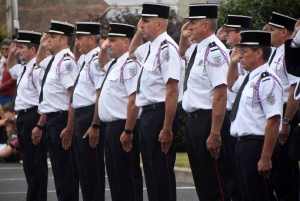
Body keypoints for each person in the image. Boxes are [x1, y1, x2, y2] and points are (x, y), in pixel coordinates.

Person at [129, 3, 184, 201]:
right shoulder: (151, 47)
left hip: (161, 114)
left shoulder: (167, 48)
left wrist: (167, 127)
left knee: (161, 173)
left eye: (145, 21)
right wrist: (139, 30)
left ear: (159, 23)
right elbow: (132, 52)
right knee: (151, 171)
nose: (141, 25)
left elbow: (172, 92)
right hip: (148, 114)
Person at [179, 3, 231, 200]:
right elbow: (182, 52)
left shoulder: (215, 52)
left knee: (215, 181)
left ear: (206, 25)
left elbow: (220, 95)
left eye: (193, 23)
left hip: (209, 120)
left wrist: (215, 132)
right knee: (202, 180)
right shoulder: (199, 49)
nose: (190, 26)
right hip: (194, 121)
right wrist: (184, 36)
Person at [227, 30, 283, 201]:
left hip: (257, 145)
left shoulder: (267, 81)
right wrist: (233, 63)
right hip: (242, 146)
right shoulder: (251, 78)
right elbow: (230, 85)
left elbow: (273, 121)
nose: (240, 56)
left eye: (243, 52)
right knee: (245, 195)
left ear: (259, 52)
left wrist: (265, 158)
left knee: (260, 195)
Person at [98, 23, 143, 201]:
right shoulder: (115, 64)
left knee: (127, 180)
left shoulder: (131, 65)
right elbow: (102, 64)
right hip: (111, 128)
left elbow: (134, 101)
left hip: (123, 127)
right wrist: (103, 50)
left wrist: (128, 130)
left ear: (126, 42)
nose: (108, 44)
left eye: (112, 40)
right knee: (115, 179)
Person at [36, 20, 79, 201]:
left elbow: (72, 97)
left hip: (62, 120)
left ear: (63, 40)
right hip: (52, 120)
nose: (48, 40)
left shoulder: (66, 62)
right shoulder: (55, 60)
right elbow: (38, 61)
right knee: (59, 172)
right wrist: (41, 44)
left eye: (52, 37)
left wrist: (69, 128)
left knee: (66, 171)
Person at [6, 30, 48, 201]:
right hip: (22, 118)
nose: (19, 50)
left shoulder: (37, 69)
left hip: (33, 116)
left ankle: (36, 198)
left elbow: (44, 98)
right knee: (28, 161)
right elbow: (10, 68)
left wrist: (39, 124)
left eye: (22, 47)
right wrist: (12, 53)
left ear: (32, 50)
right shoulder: (24, 68)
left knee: (37, 163)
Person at [70, 21, 106, 201]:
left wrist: (95, 124)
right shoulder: (86, 60)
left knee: (93, 171)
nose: (76, 42)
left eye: (79, 38)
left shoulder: (96, 60)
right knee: (83, 170)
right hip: (80, 116)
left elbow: (99, 94)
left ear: (92, 39)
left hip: (89, 116)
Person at [265, 12, 300, 200]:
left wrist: (287, 121)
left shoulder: (290, 53)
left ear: (284, 32)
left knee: (287, 170)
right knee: (277, 167)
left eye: (271, 30)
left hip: (287, 113)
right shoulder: (275, 53)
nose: (267, 32)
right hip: (275, 112)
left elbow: (295, 90)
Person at [0, 39, 16, 106]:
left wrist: (2, 86)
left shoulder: (14, 60)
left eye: (7, 49)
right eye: (3, 49)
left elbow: (14, 77)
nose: (4, 51)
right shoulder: (2, 61)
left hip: (9, 95)